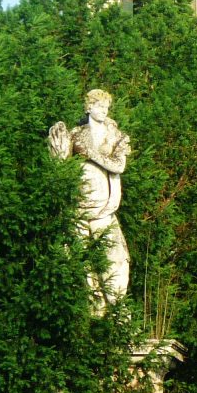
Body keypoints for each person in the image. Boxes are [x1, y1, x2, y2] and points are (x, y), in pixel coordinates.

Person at [48, 89, 130, 302]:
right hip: (79, 209)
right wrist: (57, 152)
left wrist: (91, 153)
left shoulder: (116, 136)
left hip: (104, 211)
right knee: (80, 266)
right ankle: (92, 312)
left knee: (114, 262)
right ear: (89, 107)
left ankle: (116, 311)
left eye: (106, 107)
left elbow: (119, 165)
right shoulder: (76, 134)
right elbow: (64, 169)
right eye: (99, 106)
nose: (103, 111)